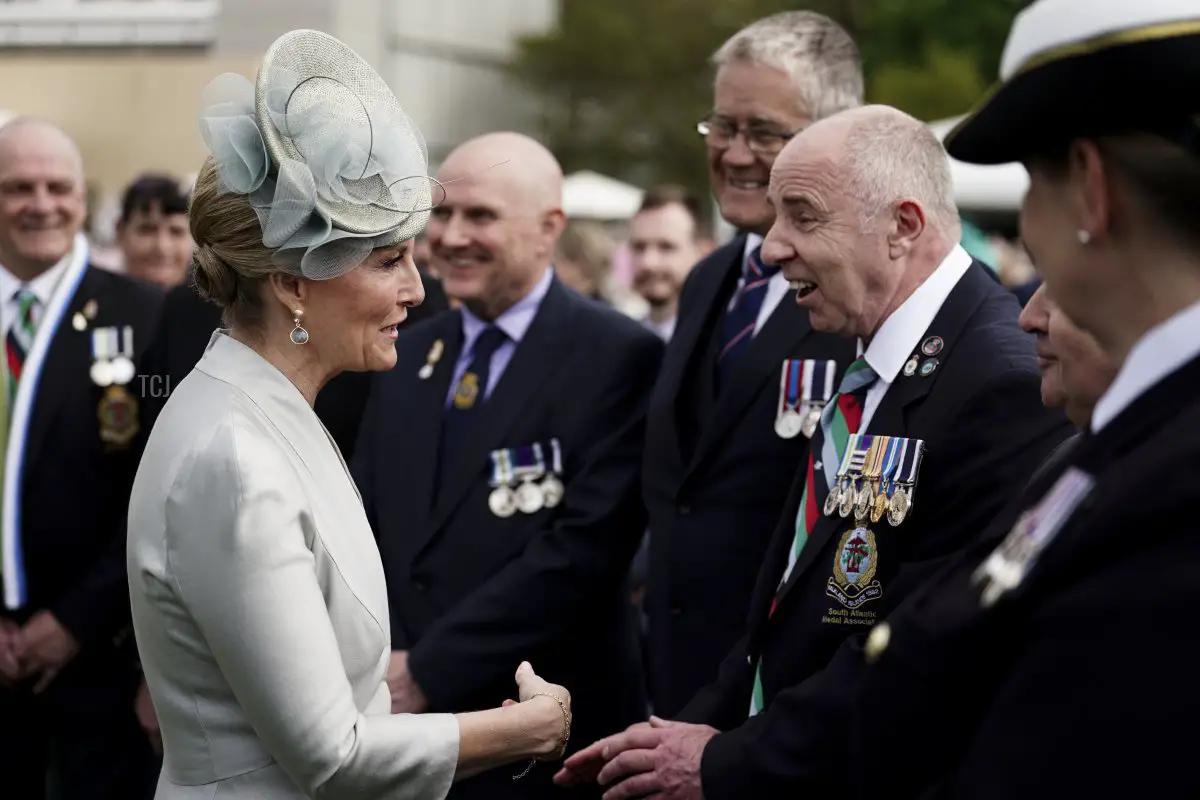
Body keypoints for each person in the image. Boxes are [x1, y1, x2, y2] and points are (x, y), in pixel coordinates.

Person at [558, 105, 1074, 798]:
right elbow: (786, 614)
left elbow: (921, 660)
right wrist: (688, 734)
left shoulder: (997, 383)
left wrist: (722, 765)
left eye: (802, 216)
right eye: (774, 217)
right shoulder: (871, 359)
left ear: (904, 226)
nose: (771, 248)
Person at [126, 31, 571, 800]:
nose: (419, 291)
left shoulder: (264, 411)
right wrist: (521, 731)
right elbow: (331, 755)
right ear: (297, 282)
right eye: (388, 260)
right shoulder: (235, 457)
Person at [845, 1, 1200, 796]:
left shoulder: (1169, 482)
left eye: (1032, 182)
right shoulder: (1136, 435)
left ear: (1091, 189)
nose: (1027, 220)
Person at [351, 131, 663, 800]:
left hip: (543, 735)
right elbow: (367, 519)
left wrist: (430, 667)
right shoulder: (405, 352)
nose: (452, 237)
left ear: (550, 228)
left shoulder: (617, 356)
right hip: (406, 728)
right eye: (441, 215)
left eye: (480, 216)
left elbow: (582, 552)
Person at [642, 10, 861, 719]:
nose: (735, 154)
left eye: (764, 132)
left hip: (784, 705)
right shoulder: (708, 279)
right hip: (676, 688)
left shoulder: (864, 296)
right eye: (723, 127)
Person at [0, 116, 164, 799]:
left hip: (102, 658)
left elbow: (159, 492)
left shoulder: (150, 315)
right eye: (18, 187)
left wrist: (71, 622)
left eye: (58, 187)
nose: (42, 203)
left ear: (83, 198)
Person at [114, 174, 194, 288]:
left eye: (176, 232)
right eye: (147, 230)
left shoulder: (217, 301)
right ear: (120, 232)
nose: (162, 247)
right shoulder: (92, 300)